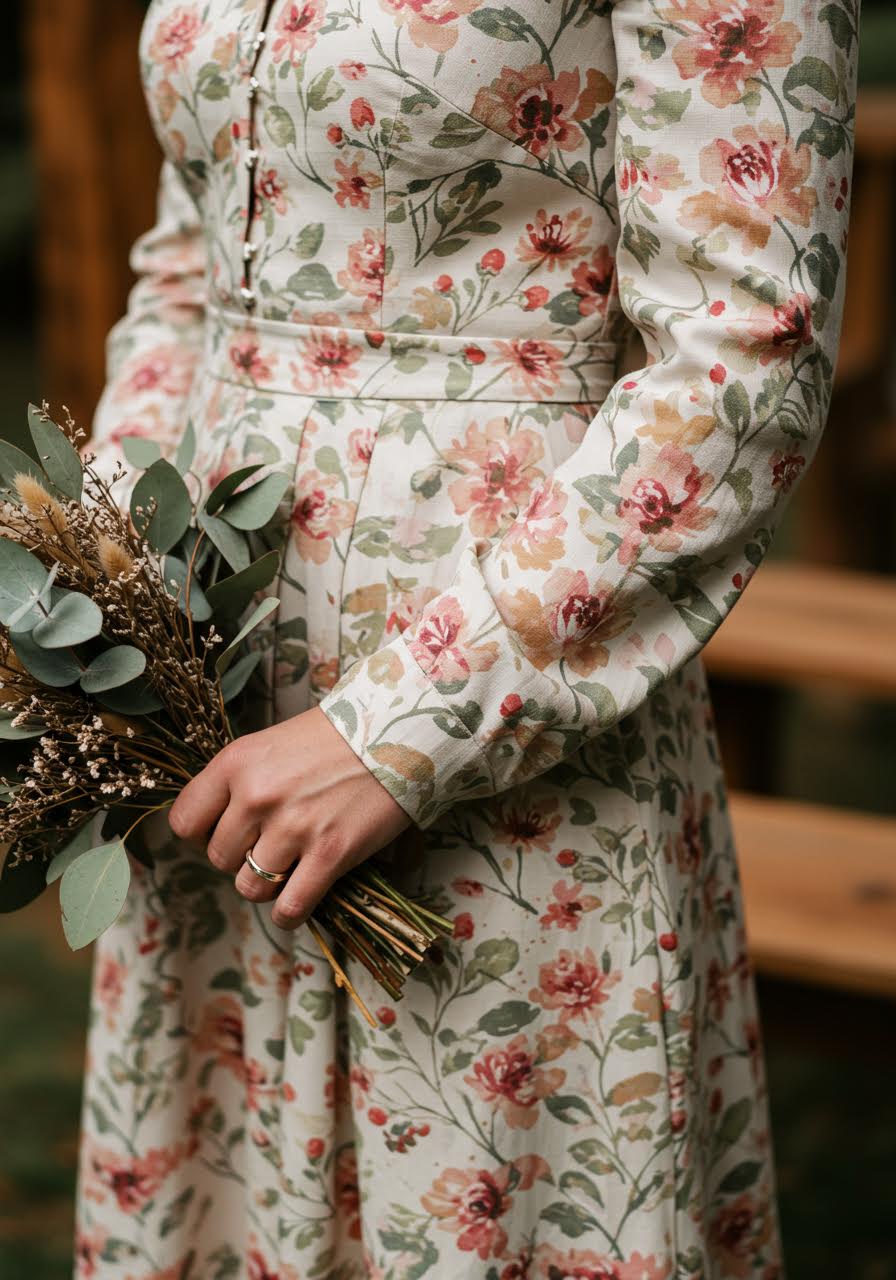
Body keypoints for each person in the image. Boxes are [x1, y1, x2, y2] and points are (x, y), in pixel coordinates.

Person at [74, 1, 859, 1276]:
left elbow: (741, 355)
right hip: (206, 712)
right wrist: (106, 589)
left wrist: (398, 728)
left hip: (511, 699)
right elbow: (192, 265)